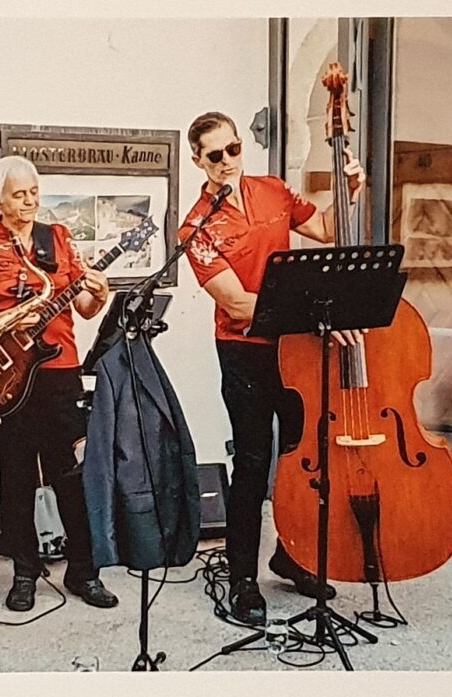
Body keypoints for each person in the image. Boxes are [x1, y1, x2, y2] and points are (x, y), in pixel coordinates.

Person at [179, 112, 366, 625]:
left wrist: (349, 190)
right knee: (253, 462)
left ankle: (293, 555)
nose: (227, 161)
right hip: (244, 351)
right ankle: (243, 578)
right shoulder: (195, 227)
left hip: (295, 347)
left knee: (301, 457)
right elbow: (237, 304)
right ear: (197, 160)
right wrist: (314, 315)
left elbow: (326, 229)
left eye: (233, 148)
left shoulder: (275, 190)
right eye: (215, 155)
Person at [0, 155, 119, 612]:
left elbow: (84, 309)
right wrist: (10, 319)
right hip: (8, 377)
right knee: (16, 478)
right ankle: (24, 573)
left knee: (70, 474)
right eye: (19, 194)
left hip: (60, 371)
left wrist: (100, 293)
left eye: (33, 192)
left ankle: (83, 571)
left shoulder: (60, 238)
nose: (30, 201)